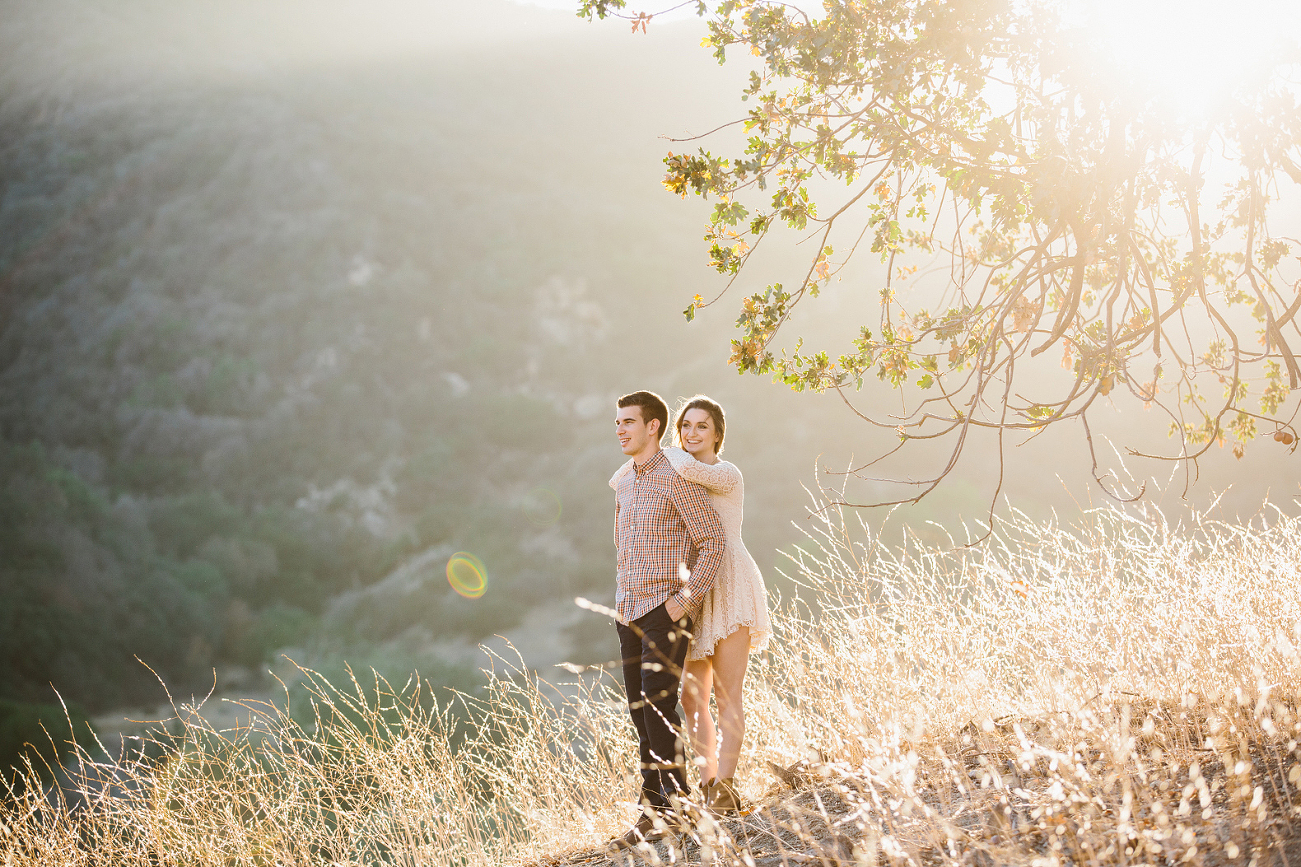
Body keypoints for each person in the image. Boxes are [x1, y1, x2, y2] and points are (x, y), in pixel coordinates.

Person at [611, 394, 771, 816]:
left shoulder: (714, 472)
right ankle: (705, 783)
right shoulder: (668, 469)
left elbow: (708, 528)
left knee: (726, 691)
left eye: (702, 426)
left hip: (726, 582)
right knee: (691, 695)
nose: (692, 433)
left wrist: (654, 452)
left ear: (718, 433)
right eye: (687, 425)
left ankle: (726, 788)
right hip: (690, 586)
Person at [608, 390, 726, 851]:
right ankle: (654, 809)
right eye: (617, 423)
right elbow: (622, 547)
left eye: (629, 422)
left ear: (653, 426)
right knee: (640, 710)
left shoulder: (675, 478)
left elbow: (712, 541)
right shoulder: (625, 483)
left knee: (659, 707)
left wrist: (684, 603)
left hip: (664, 610)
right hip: (628, 610)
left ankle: (678, 808)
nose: (620, 430)